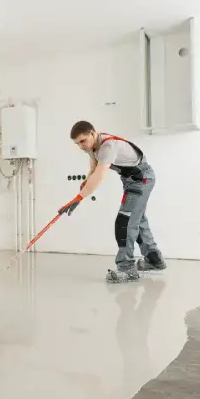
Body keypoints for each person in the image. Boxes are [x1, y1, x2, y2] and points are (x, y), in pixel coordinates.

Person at [58, 120, 166, 283]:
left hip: (141, 179)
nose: (81, 146)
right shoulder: (91, 147)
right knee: (138, 219)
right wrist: (87, 181)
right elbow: (94, 169)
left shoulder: (108, 146)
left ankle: (126, 268)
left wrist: (79, 198)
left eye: (82, 141)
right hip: (132, 181)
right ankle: (154, 259)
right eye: (77, 143)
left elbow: (100, 175)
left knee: (125, 221)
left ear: (93, 133)